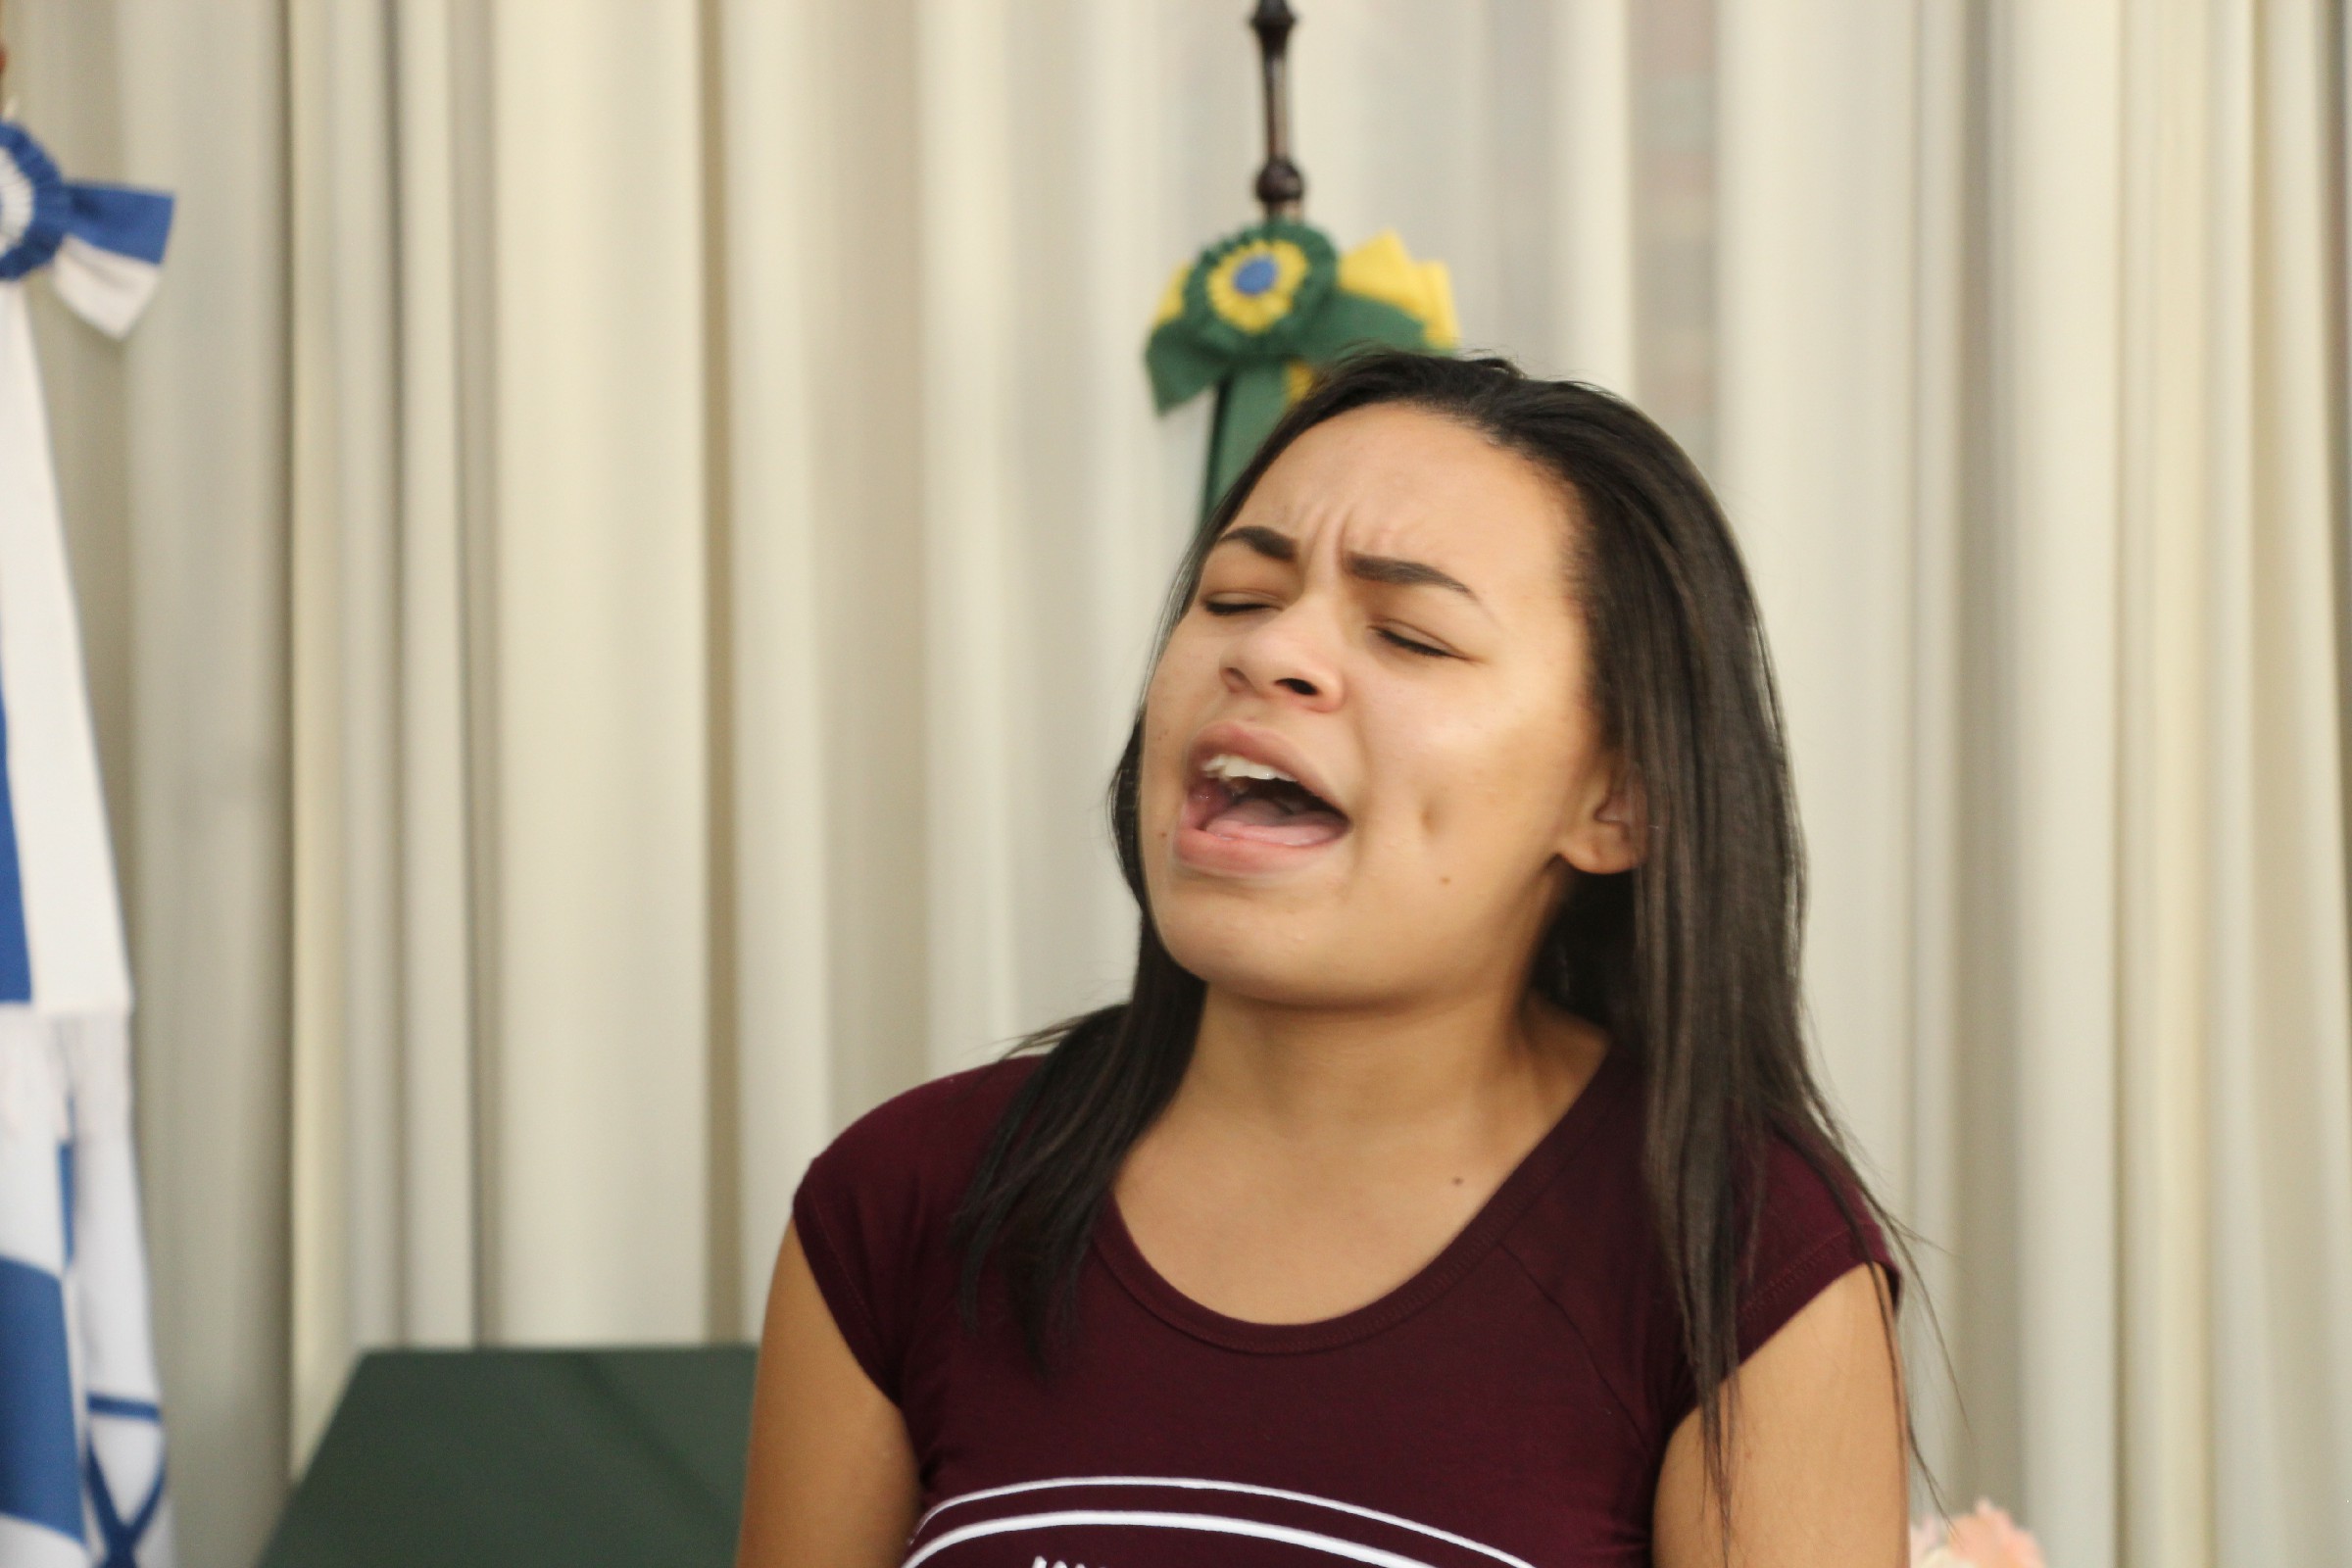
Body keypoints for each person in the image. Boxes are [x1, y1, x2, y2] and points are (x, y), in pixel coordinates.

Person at [736, 351, 1910, 1567]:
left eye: (1410, 634)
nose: (1268, 653)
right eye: (1236, 596)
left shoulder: (1745, 1255)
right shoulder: (902, 1198)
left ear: (1618, 800)